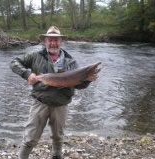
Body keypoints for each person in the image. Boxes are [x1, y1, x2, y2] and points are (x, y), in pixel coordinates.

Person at [10, 26, 100, 159]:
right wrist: (27, 74)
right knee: (30, 137)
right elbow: (14, 62)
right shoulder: (35, 56)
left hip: (61, 105)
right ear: (45, 41)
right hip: (40, 103)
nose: (53, 43)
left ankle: (56, 156)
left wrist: (87, 80)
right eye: (50, 40)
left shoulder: (71, 61)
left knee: (58, 136)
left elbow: (78, 85)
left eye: (56, 40)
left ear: (61, 41)